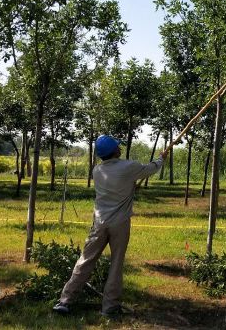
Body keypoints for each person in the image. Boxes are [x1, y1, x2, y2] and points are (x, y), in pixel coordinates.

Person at [52, 135, 165, 317]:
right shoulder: (129, 166)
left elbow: (119, 184)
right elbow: (151, 168)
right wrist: (161, 158)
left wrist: (130, 187)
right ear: (114, 151)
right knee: (116, 263)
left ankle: (65, 301)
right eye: (117, 146)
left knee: (86, 260)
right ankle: (110, 307)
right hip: (120, 223)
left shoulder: (97, 171)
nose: (120, 148)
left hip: (99, 222)